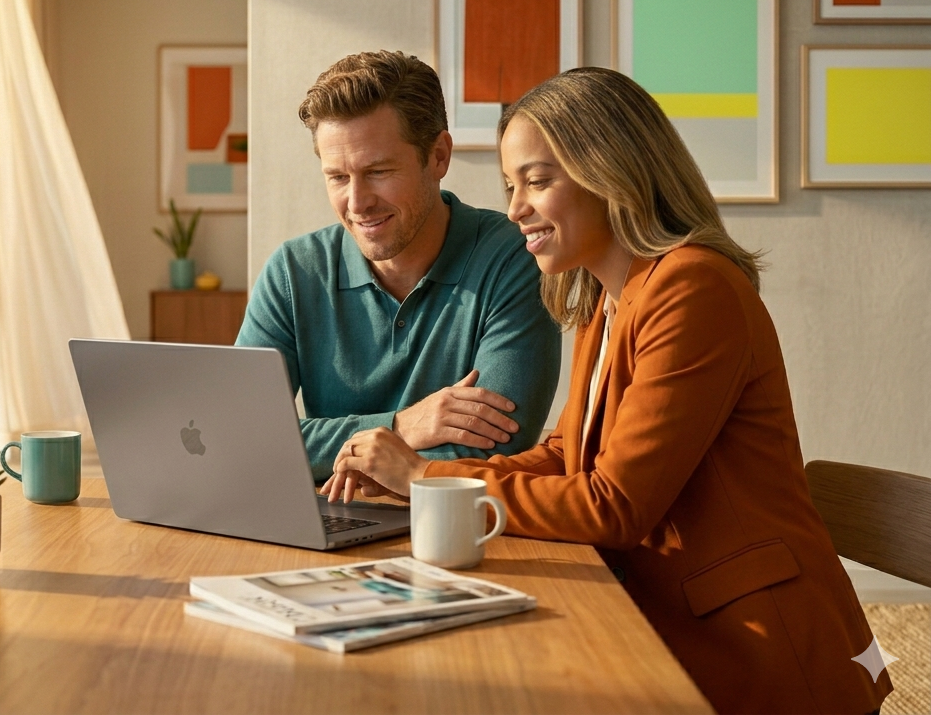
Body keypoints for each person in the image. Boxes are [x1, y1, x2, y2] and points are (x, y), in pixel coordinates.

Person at [324, 67, 891, 715]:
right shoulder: (606, 302)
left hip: (757, 652)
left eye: (537, 181)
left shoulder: (693, 290)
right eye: (512, 186)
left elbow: (615, 506)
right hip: (667, 618)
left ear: (612, 171)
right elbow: (565, 455)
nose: (514, 210)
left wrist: (424, 473)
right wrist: (422, 490)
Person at [237, 51, 561, 482]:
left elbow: (497, 445)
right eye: (337, 177)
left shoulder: (514, 259)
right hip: (329, 524)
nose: (357, 203)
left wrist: (350, 456)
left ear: (439, 157)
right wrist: (402, 425)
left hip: (463, 533)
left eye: (378, 171)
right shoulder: (293, 272)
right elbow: (241, 437)